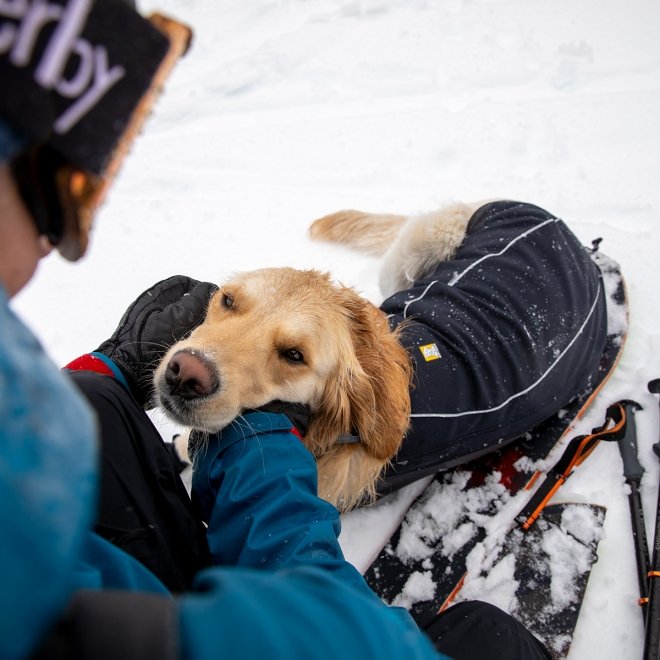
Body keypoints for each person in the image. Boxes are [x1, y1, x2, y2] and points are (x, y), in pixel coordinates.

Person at [0, 1, 552, 658]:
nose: (54, 242)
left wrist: (110, 372)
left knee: (90, 400)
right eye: (51, 192)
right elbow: (322, 629)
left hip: (513, 235)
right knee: (489, 639)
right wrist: (259, 431)